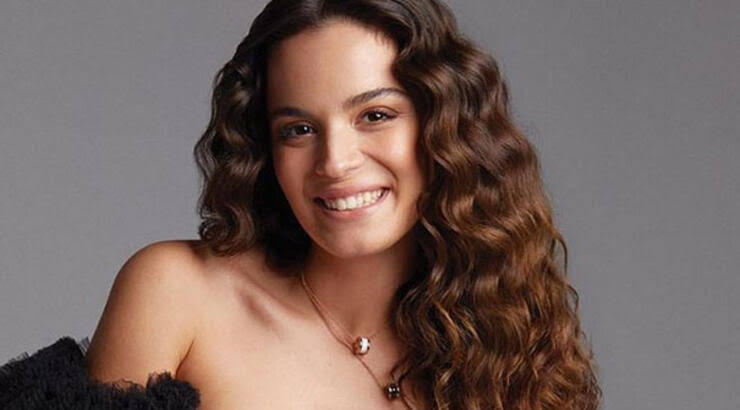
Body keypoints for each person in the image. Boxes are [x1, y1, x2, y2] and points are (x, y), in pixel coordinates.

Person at [79, 0, 602, 409]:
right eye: (299, 129)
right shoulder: (177, 294)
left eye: (375, 116)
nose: (335, 162)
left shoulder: (506, 348)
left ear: (444, 127)